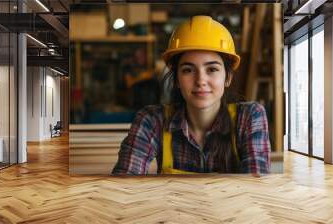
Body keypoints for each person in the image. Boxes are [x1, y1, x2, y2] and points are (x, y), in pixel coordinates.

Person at [112, 15, 271, 175]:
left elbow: (257, 187)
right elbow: (124, 184)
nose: (201, 80)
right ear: (176, 79)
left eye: (212, 69)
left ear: (227, 78)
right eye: (188, 70)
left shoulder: (249, 117)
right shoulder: (153, 121)